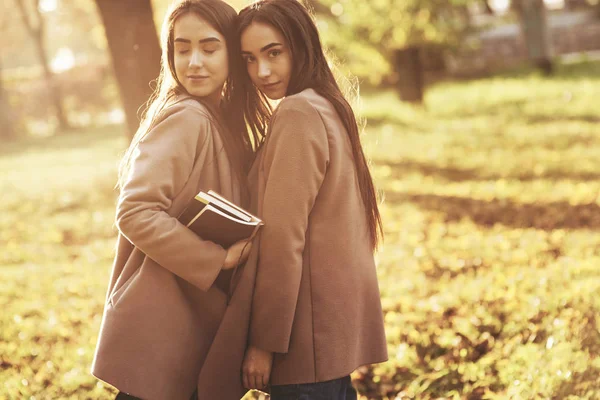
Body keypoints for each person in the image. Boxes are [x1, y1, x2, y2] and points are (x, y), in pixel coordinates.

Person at [91, 1, 253, 399]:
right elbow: (135, 211)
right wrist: (217, 261)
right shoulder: (188, 117)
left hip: (191, 316)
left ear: (232, 50)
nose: (194, 61)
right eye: (183, 48)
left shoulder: (219, 118)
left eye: (209, 48)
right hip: (165, 321)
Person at [238, 0, 389, 398]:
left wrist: (263, 342)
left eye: (274, 53)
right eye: (249, 59)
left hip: (301, 342)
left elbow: (283, 238)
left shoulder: (298, 112)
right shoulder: (328, 105)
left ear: (301, 45)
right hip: (327, 337)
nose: (262, 72)